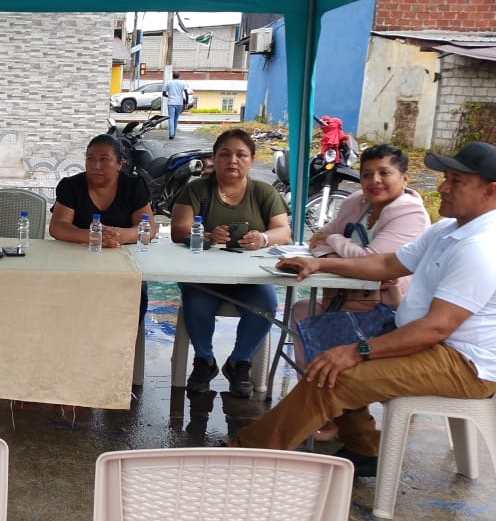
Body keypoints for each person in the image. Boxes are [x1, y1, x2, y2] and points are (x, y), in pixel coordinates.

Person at [232, 141, 496, 477]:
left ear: (491, 191)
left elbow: (436, 327)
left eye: (456, 181)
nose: (443, 188)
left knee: (335, 373)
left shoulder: (481, 246)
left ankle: (240, 456)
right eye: (445, 178)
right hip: (425, 341)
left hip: (463, 362)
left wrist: (357, 351)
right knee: (330, 356)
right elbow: (386, 263)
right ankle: (366, 449)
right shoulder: (448, 229)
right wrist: (320, 264)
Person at [289, 144, 430, 441]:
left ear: (404, 178)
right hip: (349, 298)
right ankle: (321, 406)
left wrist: (335, 242)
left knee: (320, 323)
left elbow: (373, 263)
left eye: (384, 173)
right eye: (367, 174)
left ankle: (332, 410)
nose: (374, 180)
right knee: (302, 312)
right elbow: (317, 241)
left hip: (391, 309)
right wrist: (338, 249)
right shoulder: (356, 201)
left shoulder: (410, 213)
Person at [170, 128, 292, 398]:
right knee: (196, 302)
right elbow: (179, 230)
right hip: (203, 277)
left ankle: (240, 362)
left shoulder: (263, 192)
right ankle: (204, 360)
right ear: (214, 159)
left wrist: (262, 238)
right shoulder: (196, 190)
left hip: (249, 278)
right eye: (225, 154)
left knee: (265, 304)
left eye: (241, 155)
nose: (232, 161)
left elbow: (284, 232)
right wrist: (208, 235)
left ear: (252, 160)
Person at [49, 133, 156, 334]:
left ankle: (125, 345)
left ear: (120, 164)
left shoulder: (133, 186)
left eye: (104, 159)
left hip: (124, 262)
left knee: (137, 293)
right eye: (90, 159)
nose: (96, 166)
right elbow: (58, 227)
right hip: (77, 262)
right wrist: (93, 237)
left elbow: (148, 228)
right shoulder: (71, 186)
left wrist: (118, 235)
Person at [162, 73, 189, 139]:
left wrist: (169, 96)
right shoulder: (183, 83)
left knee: (171, 118)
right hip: (179, 103)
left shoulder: (168, 83)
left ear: (172, 76)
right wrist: (186, 103)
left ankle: (171, 134)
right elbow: (186, 93)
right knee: (176, 118)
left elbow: (164, 94)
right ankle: (173, 133)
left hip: (171, 103)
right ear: (179, 76)